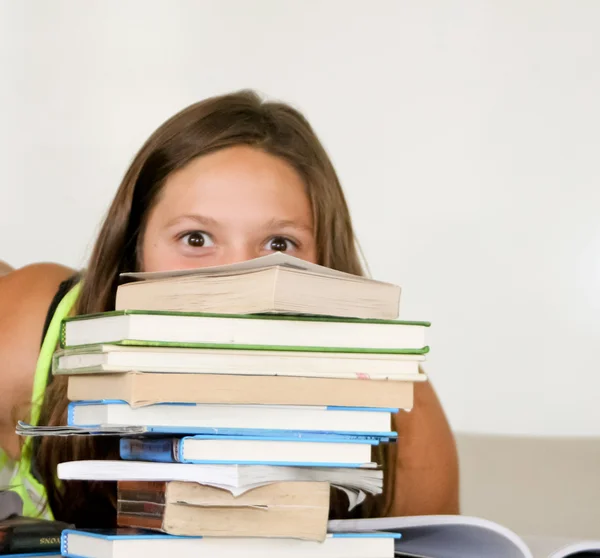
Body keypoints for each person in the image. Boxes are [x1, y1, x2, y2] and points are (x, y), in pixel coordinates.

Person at [0, 90, 459, 526]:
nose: (237, 280)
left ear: (325, 263)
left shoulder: (395, 401)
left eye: (279, 244)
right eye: (195, 239)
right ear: (133, 248)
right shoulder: (31, 331)